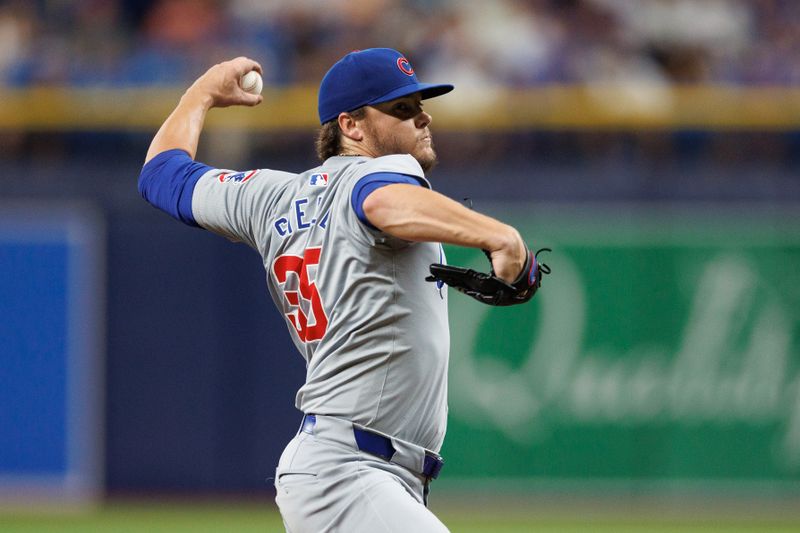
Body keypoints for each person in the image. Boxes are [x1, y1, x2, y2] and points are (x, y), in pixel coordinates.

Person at [139, 48, 531, 532]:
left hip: (349, 469)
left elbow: (162, 175)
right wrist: (498, 235)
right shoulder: (380, 172)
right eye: (402, 110)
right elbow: (380, 200)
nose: (423, 117)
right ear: (352, 127)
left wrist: (199, 94)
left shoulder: (269, 196)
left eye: (420, 106)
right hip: (349, 470)